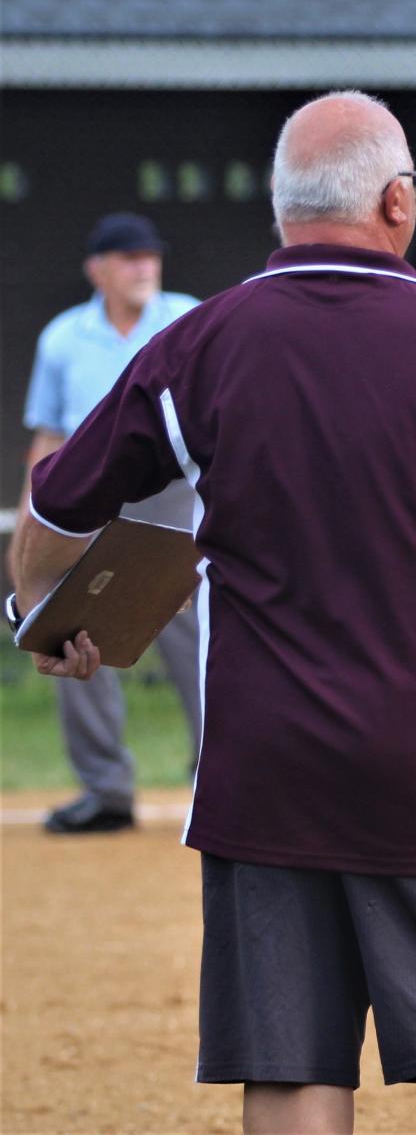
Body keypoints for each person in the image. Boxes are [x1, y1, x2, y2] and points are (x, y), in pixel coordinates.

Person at [13, 91, 416, 1135]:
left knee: (289, 1053)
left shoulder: (199, 346)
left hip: (261, 764)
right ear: (393, 203)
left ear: (285, 212)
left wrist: (37, 614)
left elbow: (55, 500)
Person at [8, 212, 202, 834]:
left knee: (203, 643)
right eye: (129, 257)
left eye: (151, 256)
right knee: (71, 638)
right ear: (98, 270)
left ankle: (221, 777)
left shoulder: (189, 316)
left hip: (175, 503)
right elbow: (48, 437)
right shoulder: (64, 337)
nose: (145, 265)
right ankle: (105, 790)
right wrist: (31, 525)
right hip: (88, 506)